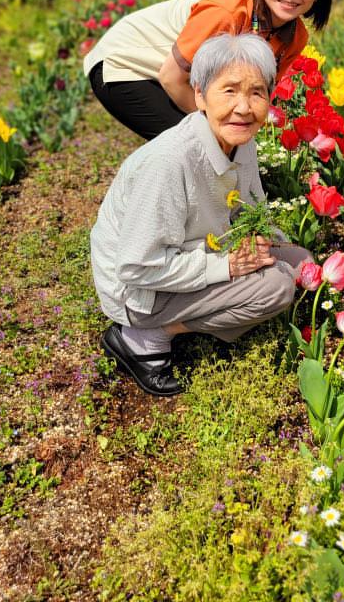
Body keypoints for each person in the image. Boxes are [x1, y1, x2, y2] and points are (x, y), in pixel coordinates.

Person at [91, 32, 311, 397]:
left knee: (299, 260)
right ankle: (144, 336)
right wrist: (226, 267)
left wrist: (270, 241)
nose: (244, 107)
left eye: (257, 92)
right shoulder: (170, 162)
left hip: (201, 246)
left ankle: (203, 304)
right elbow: (134, 267)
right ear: (199, 95)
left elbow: (248, 206)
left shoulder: (241, 138)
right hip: (138, 290)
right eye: (229, 90)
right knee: (277, 288)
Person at [83, 0, 334, 140]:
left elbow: (258, 93)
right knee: (193, 145)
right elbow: (172, 78)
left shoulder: (294, 36)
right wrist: (219, 126)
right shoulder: (227, 13)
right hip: (124, 66)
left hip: (169, 77)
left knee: (220, 146)